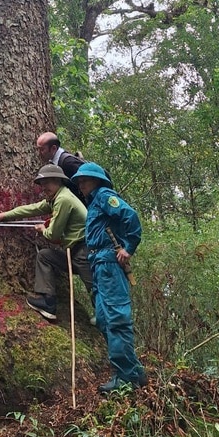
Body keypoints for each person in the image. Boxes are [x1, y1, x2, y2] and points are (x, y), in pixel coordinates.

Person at [73, 162, 147, 393]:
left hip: (109, 263)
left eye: (84, 180)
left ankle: (125, 378)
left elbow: (130, 217)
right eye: (79, 181)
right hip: (98, 264)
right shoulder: (94, 203)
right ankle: (133, 370)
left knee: (116, 318)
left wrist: (128, 248)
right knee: (104, 320)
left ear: (96, 181)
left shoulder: (104, 196)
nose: (80, 185)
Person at [0, 163, 93, 322]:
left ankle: (107, 323)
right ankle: (48, 303)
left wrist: (43, 229)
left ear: (58, 181)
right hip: (74, 251)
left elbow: (53, 234)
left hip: (85, 252)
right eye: (42, 184)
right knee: (45, 256)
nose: (44, 188)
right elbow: (33, 208)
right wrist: (4, 216)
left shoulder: (63, 199)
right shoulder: (56, 198)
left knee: (95, 289)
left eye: (47, 183)